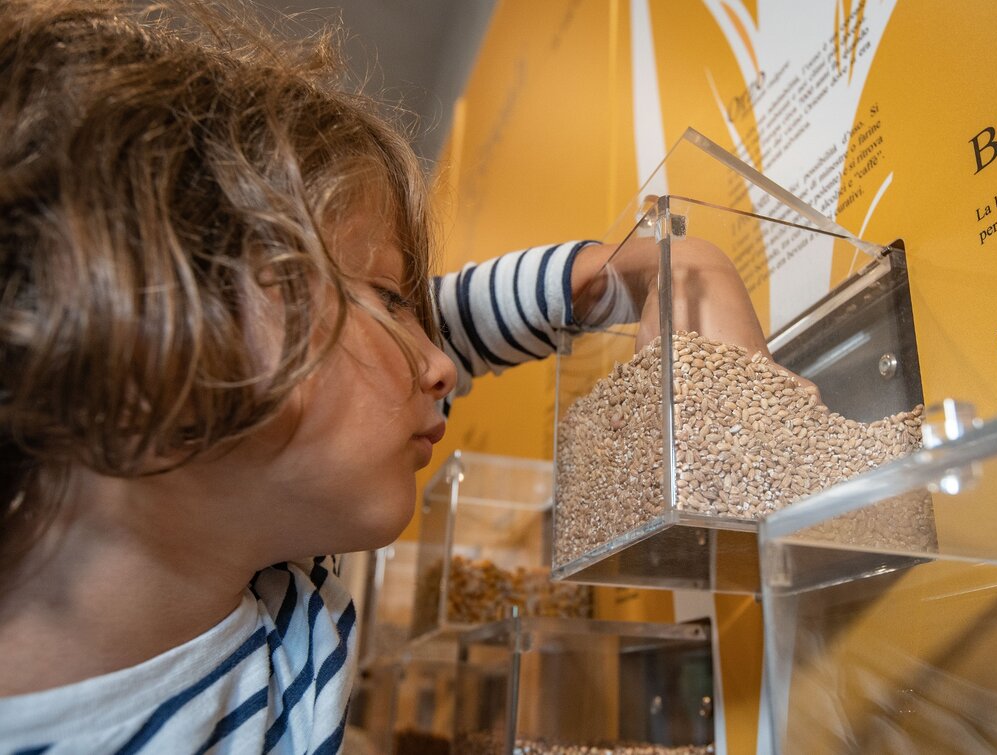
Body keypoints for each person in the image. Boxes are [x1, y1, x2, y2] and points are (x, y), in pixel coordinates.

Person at [0, 1, 771, 752]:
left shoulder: (253, 519)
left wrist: (664, 269)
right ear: (156, 333)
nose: (440, 363)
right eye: (388, 299)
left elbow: (444, 325)